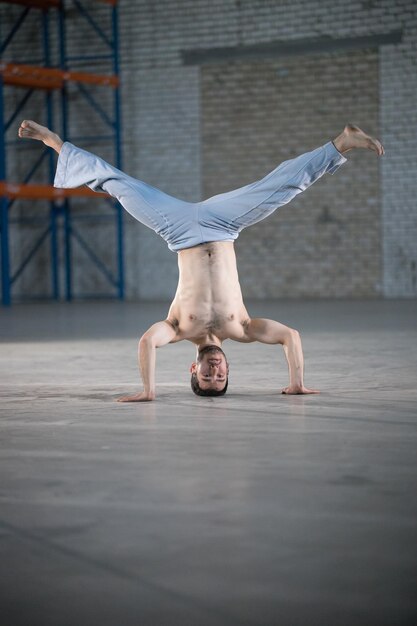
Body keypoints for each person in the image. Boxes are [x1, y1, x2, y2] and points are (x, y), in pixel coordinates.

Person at [18, 120, 384, 401]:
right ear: (227, 368)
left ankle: (54, 142)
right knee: (280, 188)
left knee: (118, 185)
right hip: (224, 225)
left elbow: (147, 341)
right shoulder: (242, 328)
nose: (214, 372)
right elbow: (291, 336)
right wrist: (296, 384)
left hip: (176, 230)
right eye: (220, 377)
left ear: (192, 369)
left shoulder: (178, 329)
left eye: (206, 376)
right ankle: (342, 142)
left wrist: (148, 390)